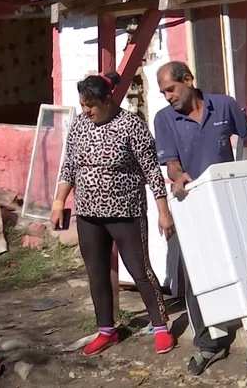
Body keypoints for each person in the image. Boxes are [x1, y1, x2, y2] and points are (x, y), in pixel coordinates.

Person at [153, 61, 247, 375]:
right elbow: (170, 163)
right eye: (163, 92)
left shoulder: (223, 105)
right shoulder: (165, 119)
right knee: (198, 277)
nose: (168, 96)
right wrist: (179, 176)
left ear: (188, 80)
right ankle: (208, 344)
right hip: (193, 205)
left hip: (228, 201)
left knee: (244, 264)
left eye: (171, 89)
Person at [51, 72, 175, 356]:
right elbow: (69, 165)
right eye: (83, 104)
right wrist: (59, 202)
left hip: (126, 213)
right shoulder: (81, 125)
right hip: (88, 214)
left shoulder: (131, 125)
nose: (86, 110)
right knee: (96, 273)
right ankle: (106, 330)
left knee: (140, 271)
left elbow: (151, 171)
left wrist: (163, 210)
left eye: (91, 105)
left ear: (108, 101)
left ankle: (160, 327)